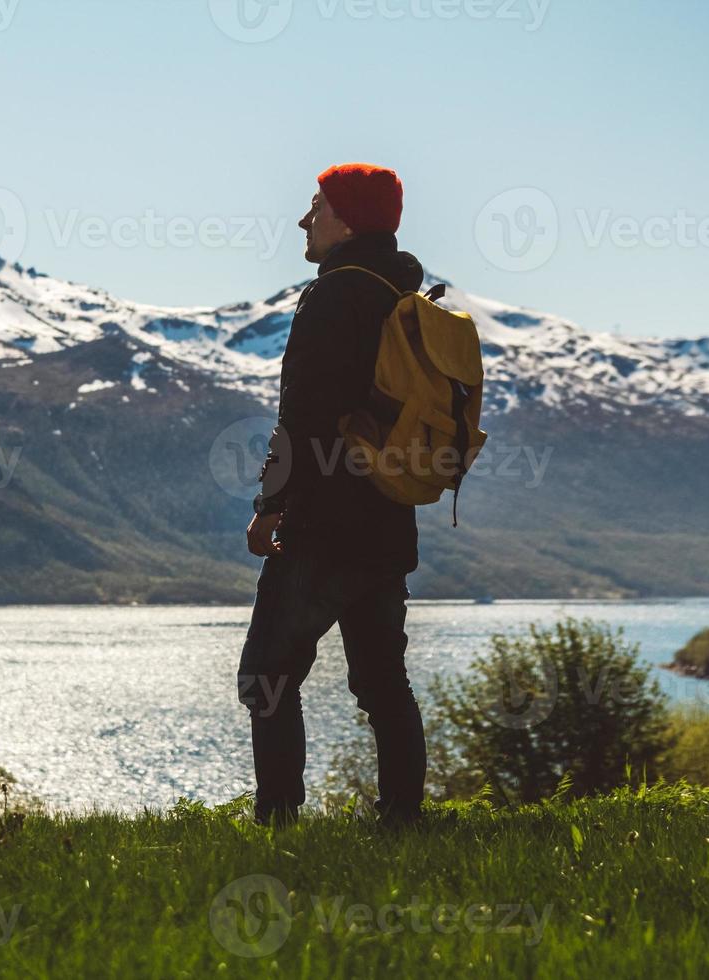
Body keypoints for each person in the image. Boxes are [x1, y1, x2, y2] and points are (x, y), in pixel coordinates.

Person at [237, 163, 426, 827]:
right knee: (382, 686)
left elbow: (304, 416)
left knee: (266, 675)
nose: (304, 219)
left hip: (323, 525)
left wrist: (270, 508)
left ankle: (278, 819)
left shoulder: (334, 294)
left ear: (346, 218)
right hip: (388, 522)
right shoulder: (398, 296)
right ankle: (403, 817)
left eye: (316, 205)